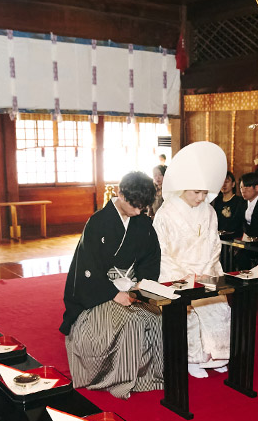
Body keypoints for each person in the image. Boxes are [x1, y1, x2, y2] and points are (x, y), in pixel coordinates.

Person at [61, 171, 163, 398]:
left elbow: (150, 259)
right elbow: (87, 269)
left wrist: (140, 286)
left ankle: (148, 376)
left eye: (143, 207)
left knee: (157, 317)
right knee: (129, 322)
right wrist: (115, 294)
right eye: (134, 205)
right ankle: (119, 378)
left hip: (132, 289)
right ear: (120, 193)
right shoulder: (98, 222)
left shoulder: (144, 223)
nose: (138, 211)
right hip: (100, 294)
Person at [153, 141, 231, 378]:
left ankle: (216, 355)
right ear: (183, 188)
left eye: (205, 192)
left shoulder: (209, 210)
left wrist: (206, 269)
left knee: (219, 310)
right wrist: (184, 275)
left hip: (206, 270)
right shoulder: (165, 212)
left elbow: (213, 243)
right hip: (177, 272)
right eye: (196, 191)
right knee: (189, 315)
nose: (201, 197)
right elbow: (161, 250)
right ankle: (192, 359)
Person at [211, 171, 245, 239]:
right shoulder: (216, 200)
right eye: (222, 182)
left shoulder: (239, 201)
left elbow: (238, 222)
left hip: (233, 239)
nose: (224, 184)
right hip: (217, 238)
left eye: (227, 182)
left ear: (233, 184)